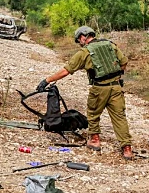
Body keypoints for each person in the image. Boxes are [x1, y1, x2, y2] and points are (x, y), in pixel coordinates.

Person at [37, 26, 133, 158]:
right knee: (120, 118)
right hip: (116, 88)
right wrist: (116, 75)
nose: (79, 43)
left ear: (83, 36)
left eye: (78, 40)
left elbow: (66, 70)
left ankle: (95, 141)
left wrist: (47, 80)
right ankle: (127, 149)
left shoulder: (84, 52)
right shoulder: (110, 45)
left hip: (99, 88)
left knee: (93, 114)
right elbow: (124, 62)